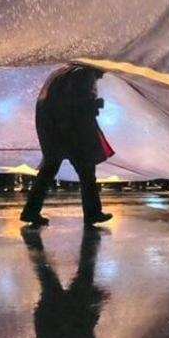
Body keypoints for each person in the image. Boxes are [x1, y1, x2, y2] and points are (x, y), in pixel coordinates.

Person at [20, 65, 114, 226]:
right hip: (73, 135)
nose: (103, 76)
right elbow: (78, 106)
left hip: (53, 132)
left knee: (47, 172)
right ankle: (92, 213)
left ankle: (30, 211)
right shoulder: (85, 74)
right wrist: (96, 105)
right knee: (87, 174)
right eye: (104, 71)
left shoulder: (63, 74)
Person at [22, 227, 107, 338]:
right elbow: (83, 329)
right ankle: (91, 236)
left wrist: (95, 307)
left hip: (53, 315)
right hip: (56, 316)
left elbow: (80, 328)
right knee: (58, 276)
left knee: (60, 276)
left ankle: (91, 235)